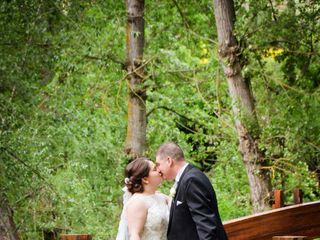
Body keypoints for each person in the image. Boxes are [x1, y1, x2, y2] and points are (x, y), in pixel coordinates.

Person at [155, 142, 228, 240]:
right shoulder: (187, 177)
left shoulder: (191, 180)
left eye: (158, 164)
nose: (158, 169)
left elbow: (206, 226)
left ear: (169, 161)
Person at [116, 157, 170, 240]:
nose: (159, 170)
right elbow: (134, 235)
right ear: (145, 179)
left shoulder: (160, 197)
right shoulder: (137, 202)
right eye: (155, 169)